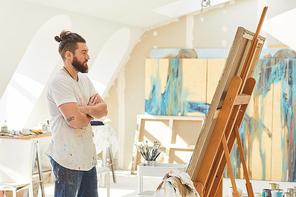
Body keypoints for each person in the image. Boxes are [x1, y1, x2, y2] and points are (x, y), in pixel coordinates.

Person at [45, 30, 108, 197]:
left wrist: (84, 109)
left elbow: (104, 109)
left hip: (87, 158)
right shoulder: (59, 81)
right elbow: (76, 122)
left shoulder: (85, 80)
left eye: (87, 52)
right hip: (67, 160)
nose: (88, 56)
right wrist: (90, 113)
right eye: (83, 52)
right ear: (69, 55)